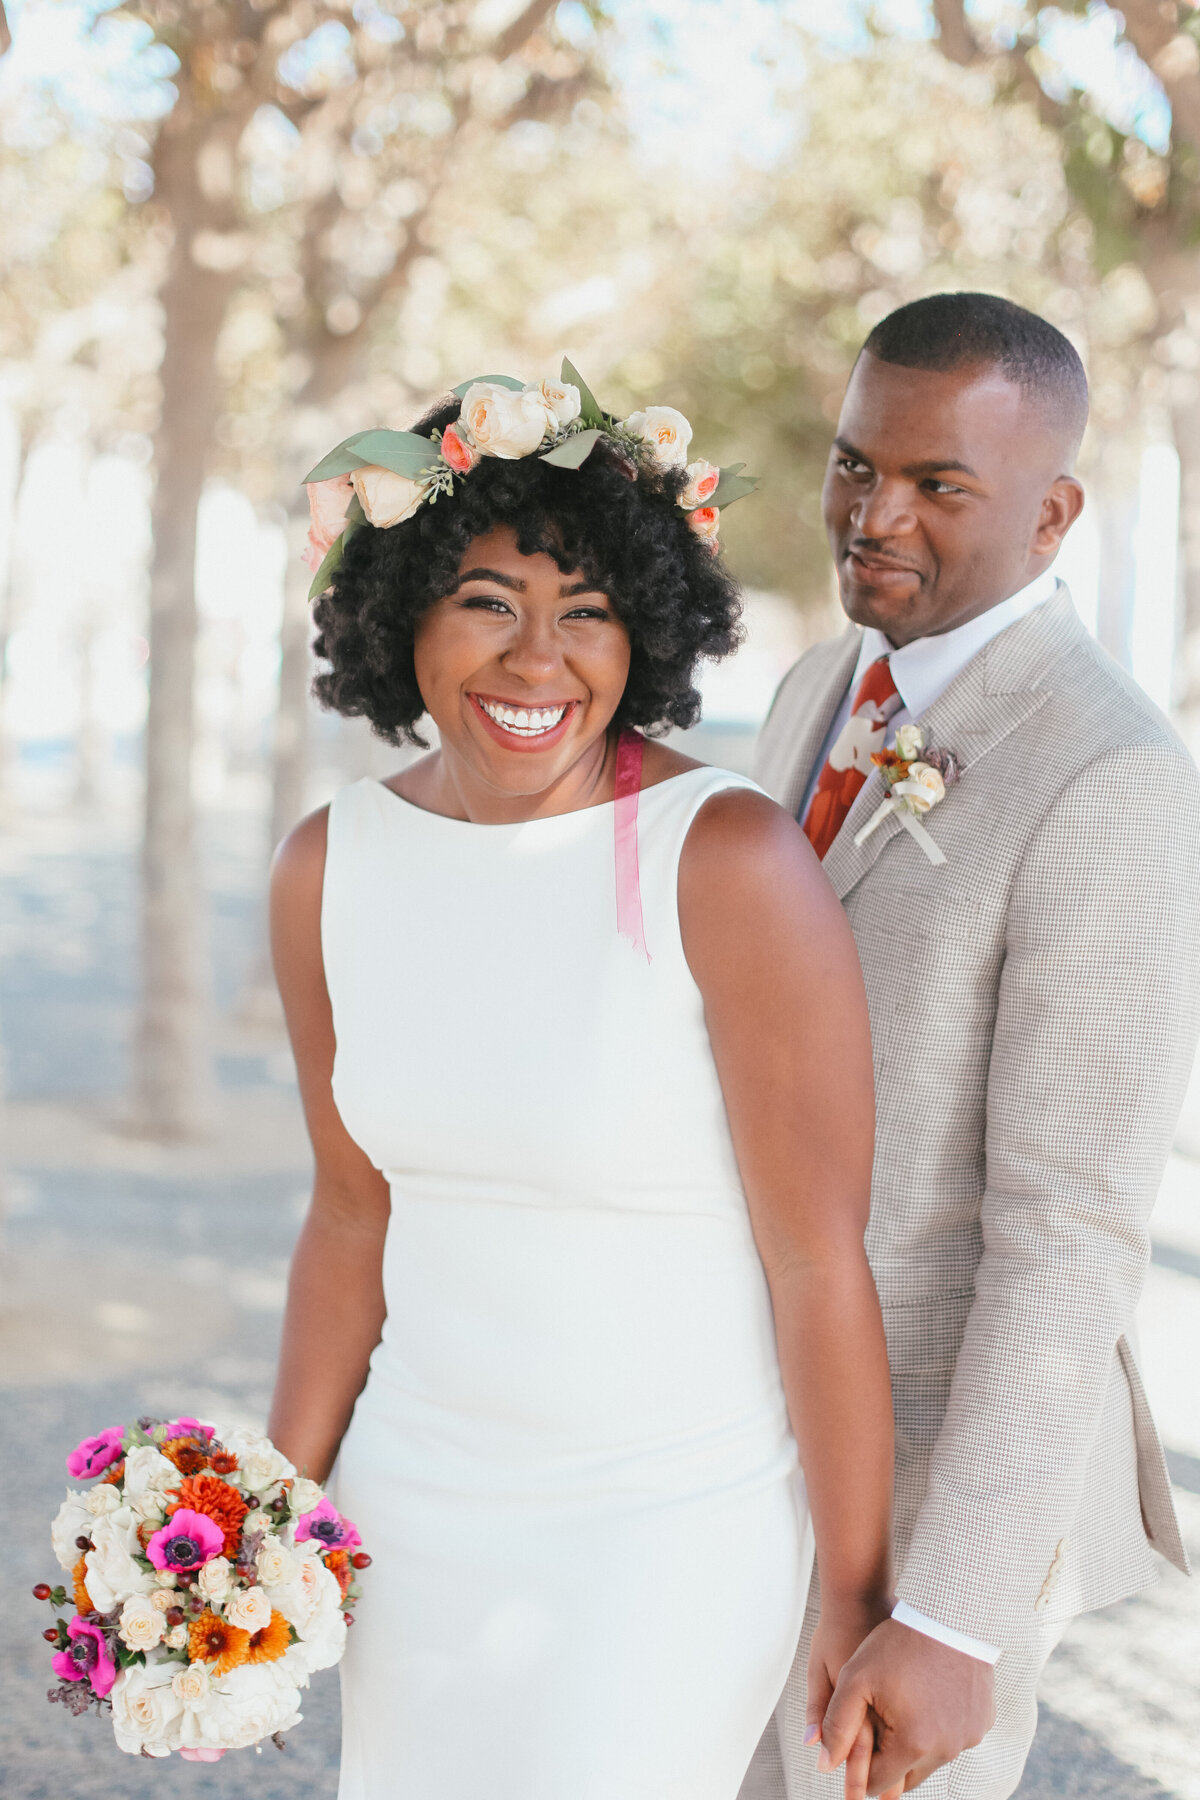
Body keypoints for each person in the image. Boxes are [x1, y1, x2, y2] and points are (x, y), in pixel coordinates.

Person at [266, 372, 897, 1800]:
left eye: (591, 611)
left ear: (649, 633)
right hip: (414, 1518)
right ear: (403, 613)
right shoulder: (329, 866)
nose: (539, 660)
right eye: (488, 601)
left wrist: (857, 1595)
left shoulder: (725, 859)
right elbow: (350, 1218)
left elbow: (816, 1262)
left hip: (665, 1532)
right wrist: (268, 1510)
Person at [741, 292, 1200, 1800]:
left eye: (941, 486)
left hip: (941, 1476)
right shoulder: (821, 687)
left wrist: (953, 1613)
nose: (874, 517)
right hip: (745, 1436)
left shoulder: (1110, 772)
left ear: (1054, 512)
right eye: (856, 465)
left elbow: (1071, 1225)